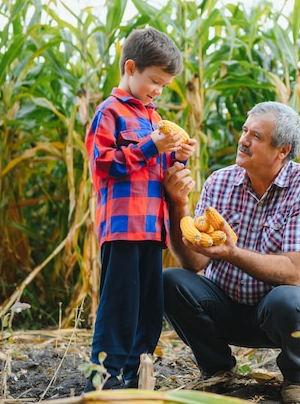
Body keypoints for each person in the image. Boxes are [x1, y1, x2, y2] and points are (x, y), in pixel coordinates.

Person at [162, 101, 300, 403]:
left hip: (275, 314)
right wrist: (178, 206)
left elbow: (293, 272)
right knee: (170, 281)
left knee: (293, 300)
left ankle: (297, 375)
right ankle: (218, 370)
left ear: (282, 151)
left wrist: (233, 253)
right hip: (223, 306)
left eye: (257, 136)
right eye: (244, 130)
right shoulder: (220, 181)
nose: (244, 140)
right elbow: (194, 261)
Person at [83, 27, 196, 392]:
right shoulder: (109, 113)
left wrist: (176, 156)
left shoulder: (153, 116)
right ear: (130, 68)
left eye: (164, 86)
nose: (158, 91)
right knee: (120, 307)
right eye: (154, 82)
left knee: (149, 310)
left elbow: (156, 172)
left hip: (153, 230)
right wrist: (151, 145)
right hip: (122, 229)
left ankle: (135, 379)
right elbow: (102, 165)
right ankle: (102, 381)